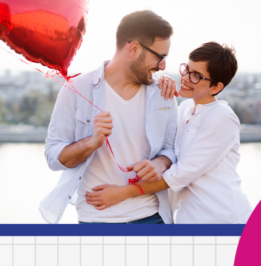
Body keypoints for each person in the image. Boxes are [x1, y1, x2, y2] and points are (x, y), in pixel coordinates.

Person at [85, 42, 252, 224]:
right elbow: (168, 145)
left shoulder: (221, 116)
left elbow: (181, 174)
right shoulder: (186, 108)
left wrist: (121, 193)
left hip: (223, 217)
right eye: (187, 69)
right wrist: (160, 81)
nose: (186, 78)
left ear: (215, 88)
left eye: (196, 75)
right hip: (189, 218)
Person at [40, 10, 180, 224]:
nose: (163, 66)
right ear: (134, 49)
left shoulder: (164, 94)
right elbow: (53, 156)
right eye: (160, 57)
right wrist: (92, 142)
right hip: (95, 221)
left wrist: (160, 163)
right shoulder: (77, 90)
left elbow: (172, 149)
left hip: (152, 218)